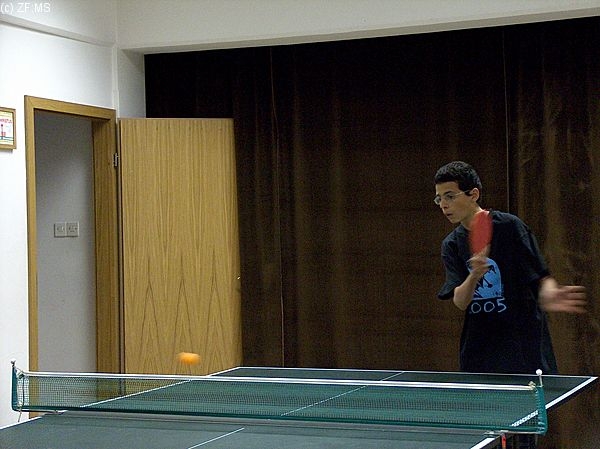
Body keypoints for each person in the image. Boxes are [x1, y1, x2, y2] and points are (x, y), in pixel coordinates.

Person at [434, 161, 587, 375]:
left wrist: (549, 292)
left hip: (523, 347)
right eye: (439, 198)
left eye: (450, 196)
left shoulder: (510, 227)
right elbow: (460, 302)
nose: (443, 205)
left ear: (473, 194)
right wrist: (475, 275)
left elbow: (540, 275)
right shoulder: (451, 244)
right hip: (480, 351)